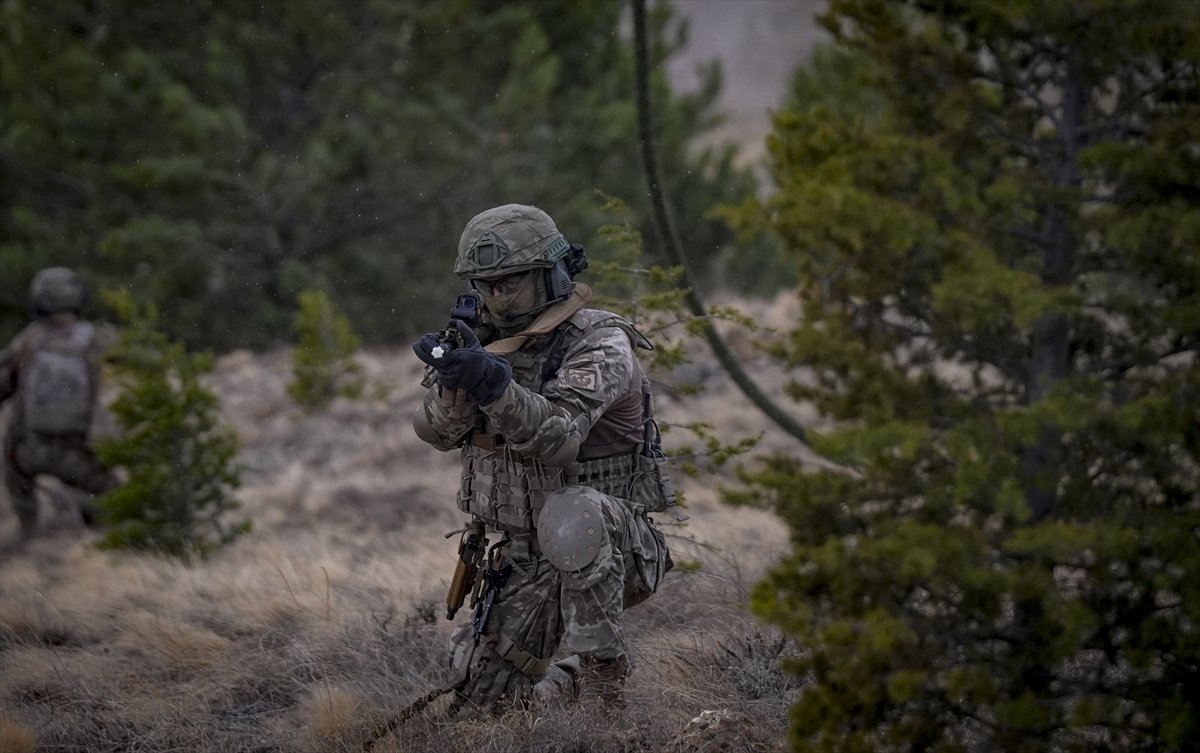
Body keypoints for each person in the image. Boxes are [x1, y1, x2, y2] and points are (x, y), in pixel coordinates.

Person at [412, 204, 680, 716]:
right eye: (483, 284)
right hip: (525, 557)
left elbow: (557, 439)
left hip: (616, 547)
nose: (495, 296)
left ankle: (604, 688)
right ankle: (566, 681)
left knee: (571, 511)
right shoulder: (487, 340)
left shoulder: (599, 341)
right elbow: (436, 434)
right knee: (478, 701)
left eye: (509, 282)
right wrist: (454, 381)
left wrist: (492, 383)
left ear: (549, 274)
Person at [0, 267, 117, 540]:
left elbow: (4, 384)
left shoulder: (28, 340)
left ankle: (28, 528)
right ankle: (92, 518)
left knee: (11, 463)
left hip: (29, 451)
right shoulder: (96, 339)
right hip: (78, 451)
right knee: (115, 498)